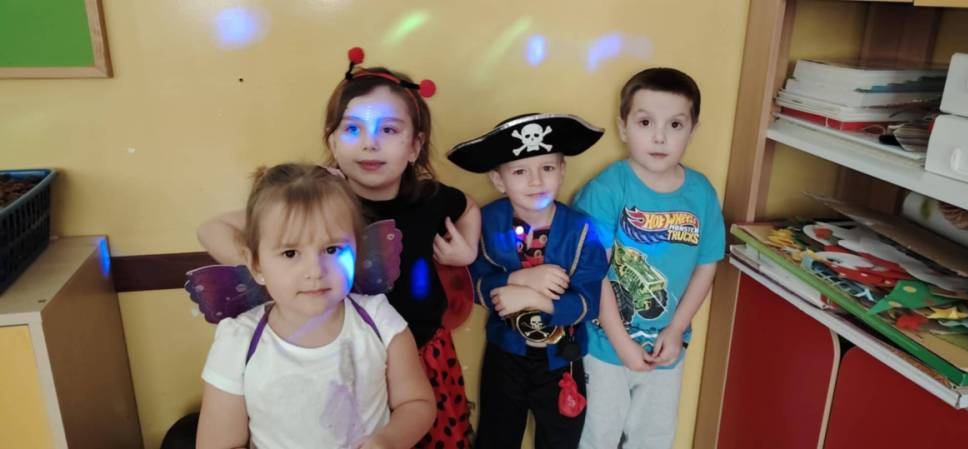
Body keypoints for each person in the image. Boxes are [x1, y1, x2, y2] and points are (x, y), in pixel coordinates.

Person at [197, 49, 480, 447]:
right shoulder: (319, 202)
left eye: (388, 130)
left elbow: (468, 207)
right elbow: (213, 228)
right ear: (332, 139)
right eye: (353, 130)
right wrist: (271, 273)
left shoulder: (431, 197)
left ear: (415, 146)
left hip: (419, 349)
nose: (370, 144)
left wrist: (467, 252)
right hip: (339, 343)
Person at [196, 163, 434, 449]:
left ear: (357, 250)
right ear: (256, 265)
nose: (315, 271)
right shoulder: (238, 342)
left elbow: (416, 403)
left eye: (332, 250)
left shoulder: (380, 321)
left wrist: (388, 440)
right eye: (290, 253)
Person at [573, 68, 725, 449]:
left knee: (654, 436)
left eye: (675, 124)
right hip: (604, 345)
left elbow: (706, 266)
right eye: (645, 122)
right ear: (623, 127)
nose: (660, 137)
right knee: (598, 435)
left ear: (692, 130)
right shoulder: (607, 189)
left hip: (666, 347)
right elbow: (593, 271)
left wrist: (676, 329)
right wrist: (622, 343)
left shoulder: (702, 195)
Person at [449, 113, 608, 449]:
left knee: (561, 440)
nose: (535, 181)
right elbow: (470, 279)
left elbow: (590, 300)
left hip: (561, 358)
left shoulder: (582, 230)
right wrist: (518, 278)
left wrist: (539, 301)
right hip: (506, 354)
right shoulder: (487, 221)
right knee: (497, 437)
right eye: (520, 171)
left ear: (562, 170)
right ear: (498, 179)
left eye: (547, 168)